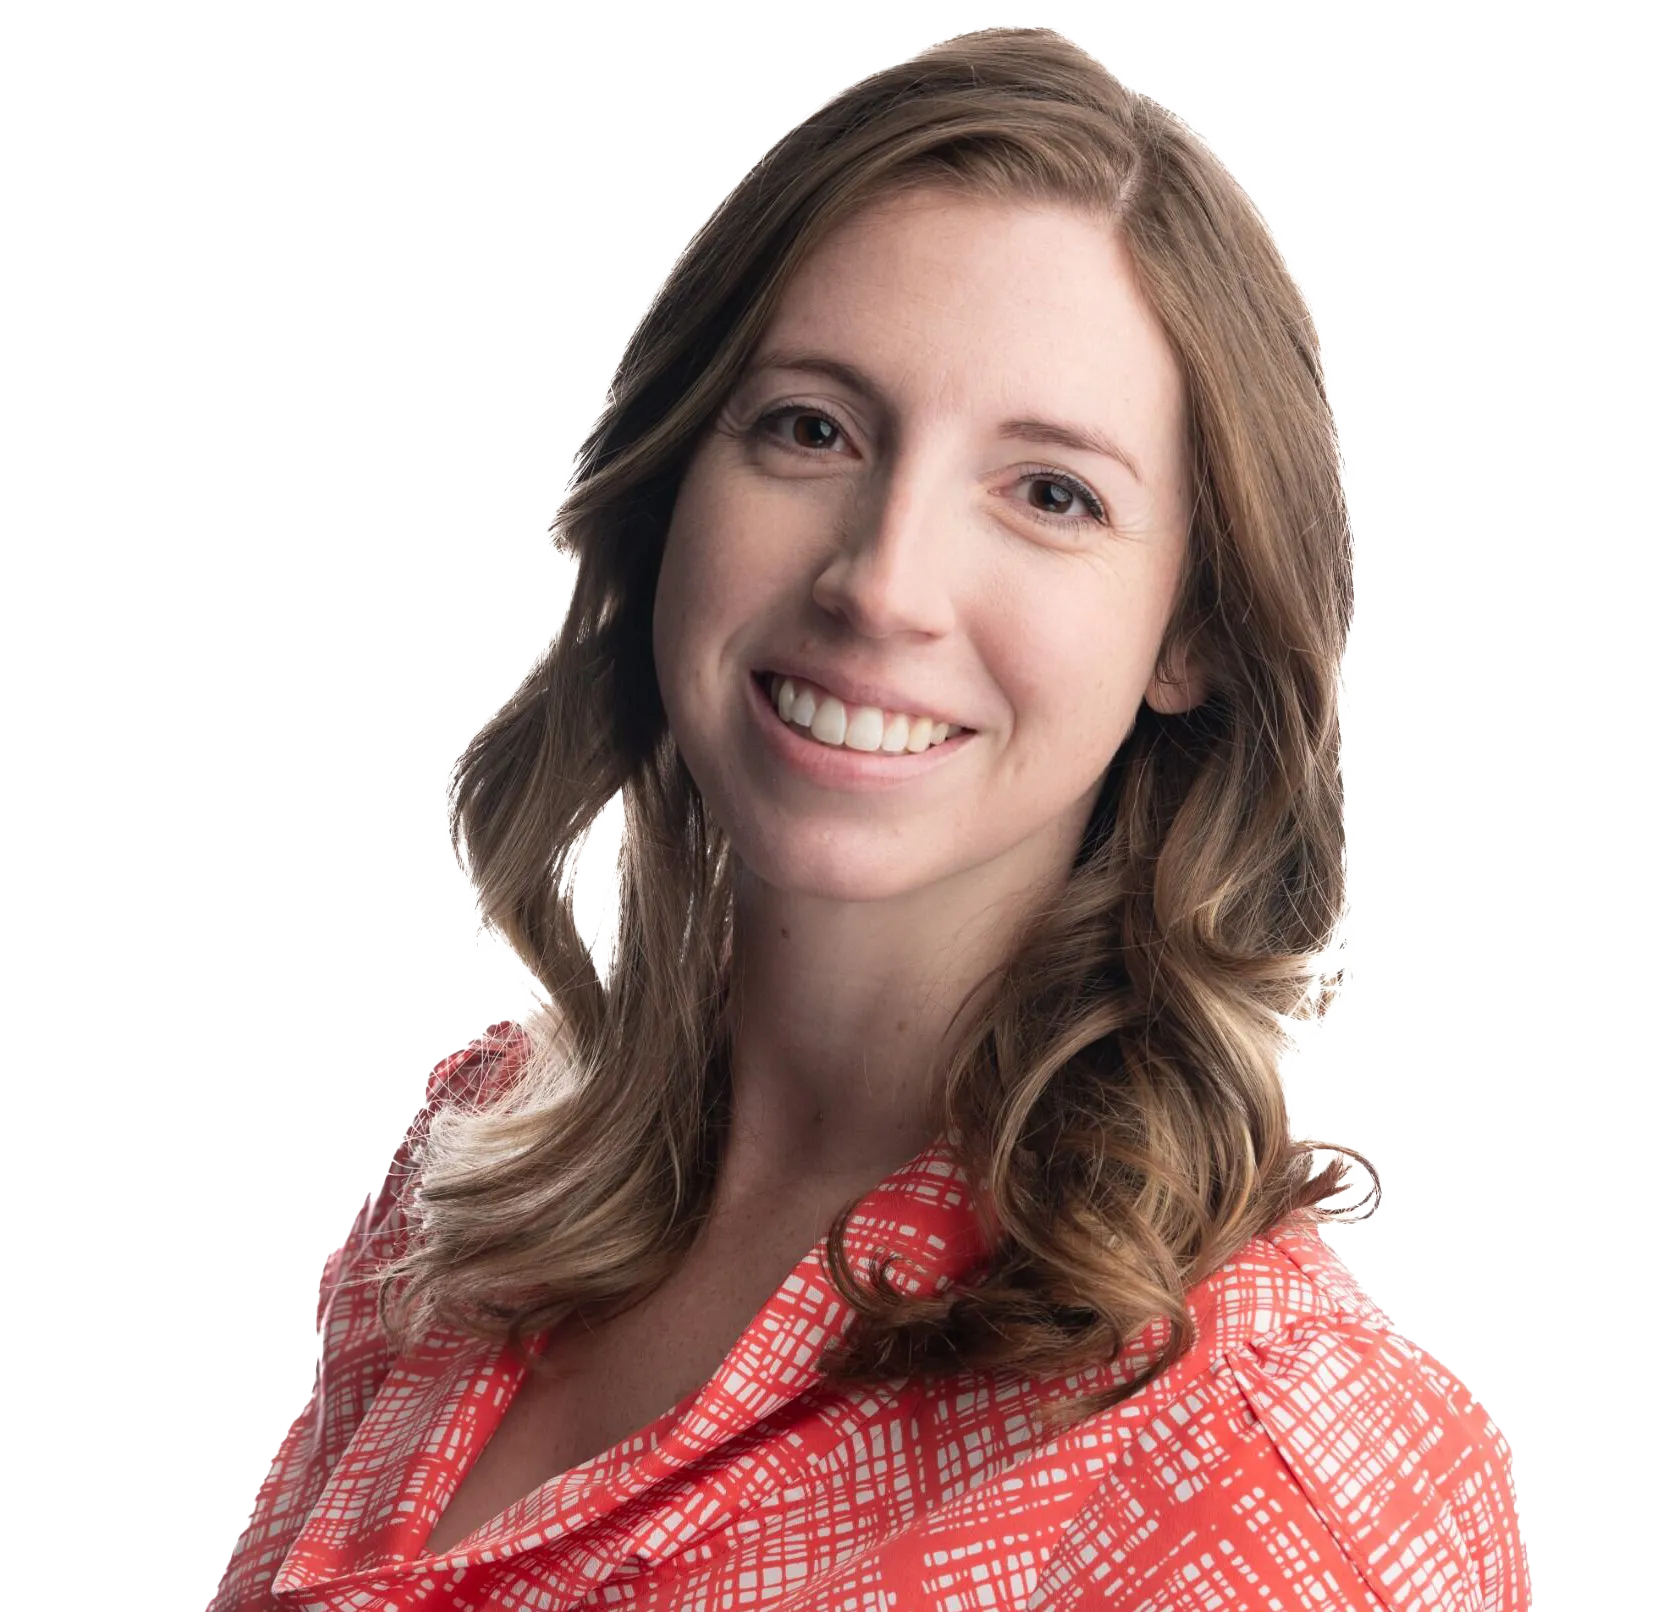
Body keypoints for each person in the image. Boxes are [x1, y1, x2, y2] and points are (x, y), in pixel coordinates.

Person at [208, 25, 1530, 1611]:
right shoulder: (482, 1168)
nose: (882, 583)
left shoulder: (1267, 1477)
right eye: (809, 429)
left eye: (1050, 494)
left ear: (1194, 632)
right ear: (673, 479)